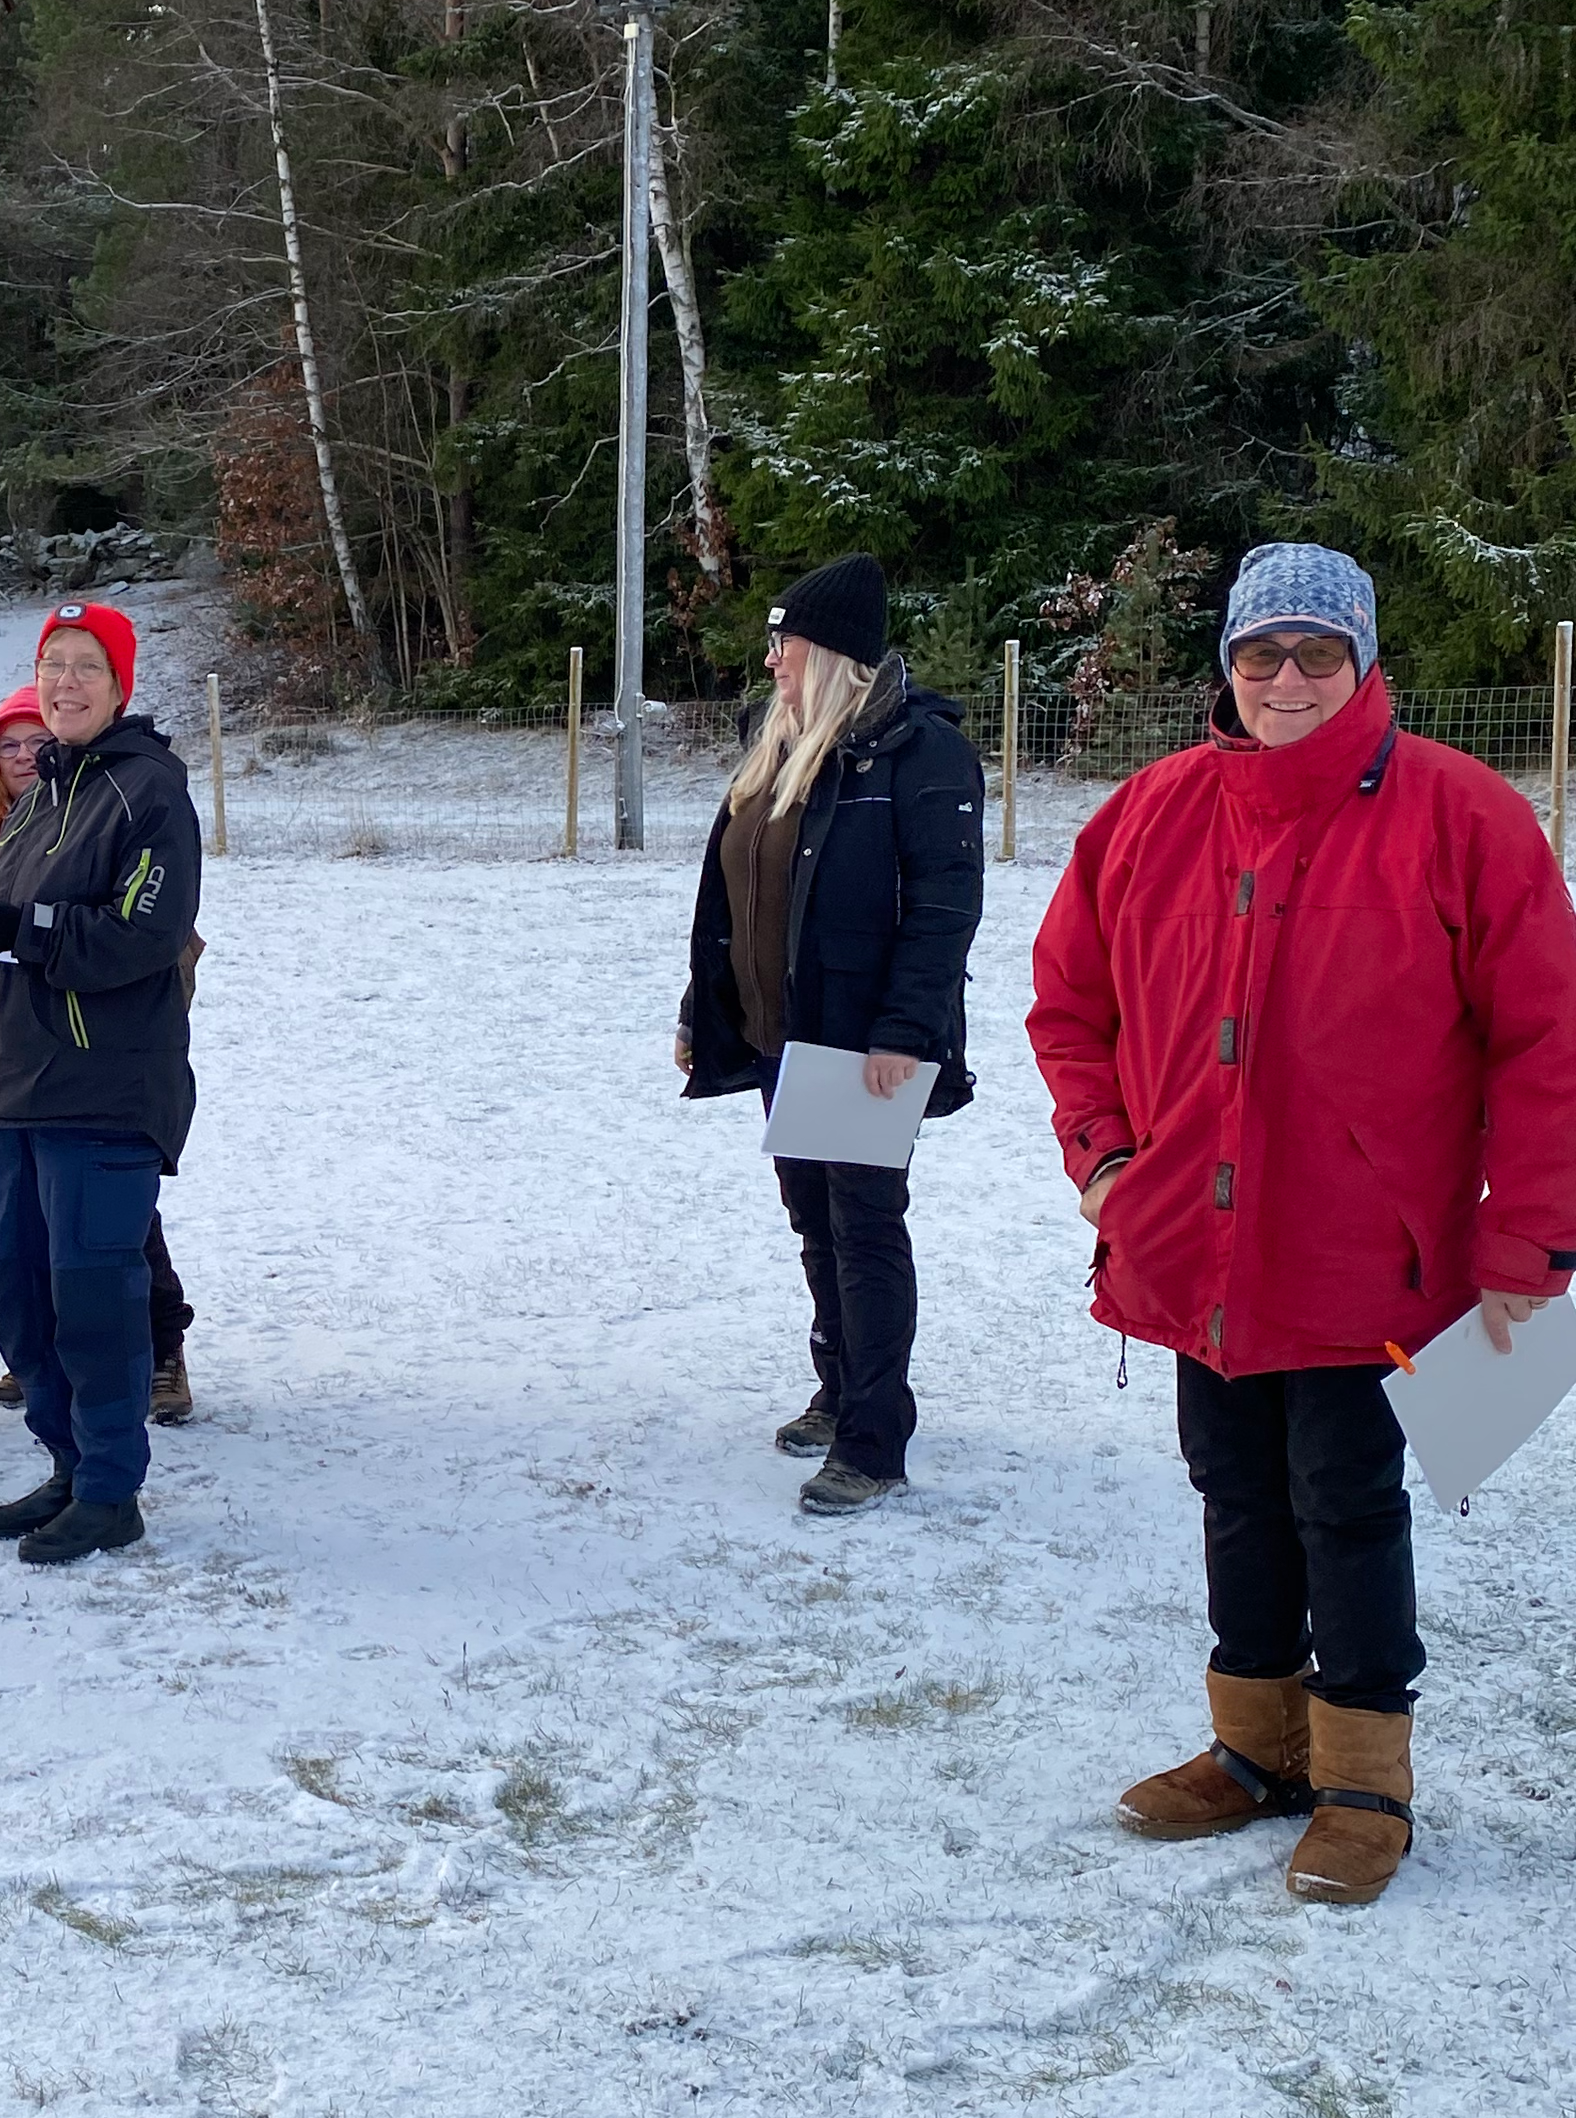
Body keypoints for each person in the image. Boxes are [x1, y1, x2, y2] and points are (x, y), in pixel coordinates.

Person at [1029, 543, 1576, 1906]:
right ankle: (1257, 1748)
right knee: (1233, 1494)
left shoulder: (1463, 816)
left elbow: (1548, 1044)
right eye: (1260, 652)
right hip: (1188, 1249)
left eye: (1316, 653)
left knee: (1346, 1502)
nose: (1286, 677)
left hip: (1363, 1258)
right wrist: (1102, 1164)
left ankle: (1364, 1782)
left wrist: (1529, 1242)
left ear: (1364, 662)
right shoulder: (1147, 814)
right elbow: (1068, 1007)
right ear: (1227, 665)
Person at [675, 553, 985, 1516]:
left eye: (787, 645)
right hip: (781, 1036)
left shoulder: (919, 752)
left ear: (833, 654)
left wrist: (905, 1033)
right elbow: (728, 893)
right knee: (812, 1216)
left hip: (863, 1047)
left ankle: (873, 1437)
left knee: (863, 1228)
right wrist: (703, 1006)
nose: (771, 662)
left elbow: (944, 908)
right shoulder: (774, 743)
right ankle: (840, 1384)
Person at [0, 602, 202, 1563]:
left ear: (121, 683)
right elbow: (13, 925)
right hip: (11, 1090)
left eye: (85, 665)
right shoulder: (44, 796)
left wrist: (29, 935)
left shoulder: (149, 794)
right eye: (52, 664)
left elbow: (144, 935)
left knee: (93, 1301)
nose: (64, 682)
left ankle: (110, 1488)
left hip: (100, 1091)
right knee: (20, 1296)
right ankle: (64, 1465)